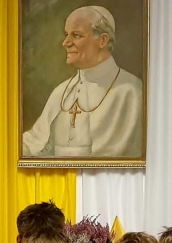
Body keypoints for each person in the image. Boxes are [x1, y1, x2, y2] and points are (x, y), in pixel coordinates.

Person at [22, 6, 143, 158]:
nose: (66, 43)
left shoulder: (130, 92)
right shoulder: (61, 91)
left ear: (102, 40)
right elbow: (35, 144)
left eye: (76, 35)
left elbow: (116, 158)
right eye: (66, 35)